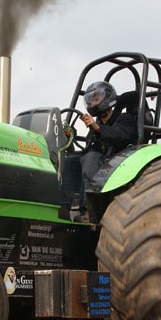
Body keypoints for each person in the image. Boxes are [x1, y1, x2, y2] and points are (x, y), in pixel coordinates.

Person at [60, 80, 137, 221]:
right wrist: (69, 137)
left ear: (107, 99)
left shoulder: (124, 119)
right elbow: (89, 149)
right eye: (90, 101)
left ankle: (88, 211)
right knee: (69, 162)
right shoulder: (97, 124)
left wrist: (97, 128)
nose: (92, 103)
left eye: (96, 99)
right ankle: (62, 208)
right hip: (98, 162)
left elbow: (121, 135)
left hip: (118, 162)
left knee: (91, 158)